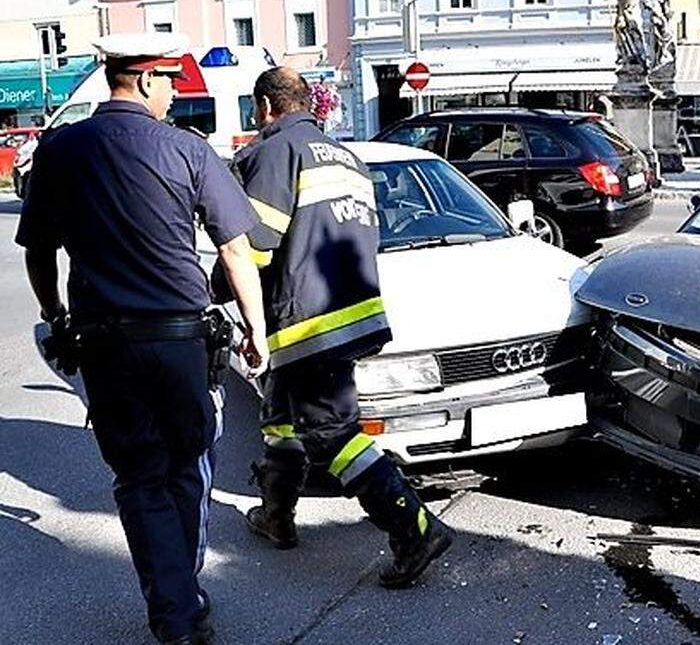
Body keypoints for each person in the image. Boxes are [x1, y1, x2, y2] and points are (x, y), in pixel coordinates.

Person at [16, 32, 269, 645]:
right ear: (149, 79)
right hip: (180, 341)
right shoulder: (186, 150)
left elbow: (39, 251)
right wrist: (255, 328)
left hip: (103, 344)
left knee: (139, 476)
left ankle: (176, 606)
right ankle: (183, 602)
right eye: (171, 84)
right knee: (185, 468)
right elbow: (236, 246)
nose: (175, 96)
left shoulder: (61, 148)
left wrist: (55, 312)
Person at [232, 67, 453, 588]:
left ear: (265, 106)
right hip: (350, 311)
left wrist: (228, 288)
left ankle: (414, 527)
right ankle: (277, 517)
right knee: (281, 418)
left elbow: (257, 244)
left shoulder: (275, 151)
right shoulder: (345, 155)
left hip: (307, 321)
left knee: (332, 433)